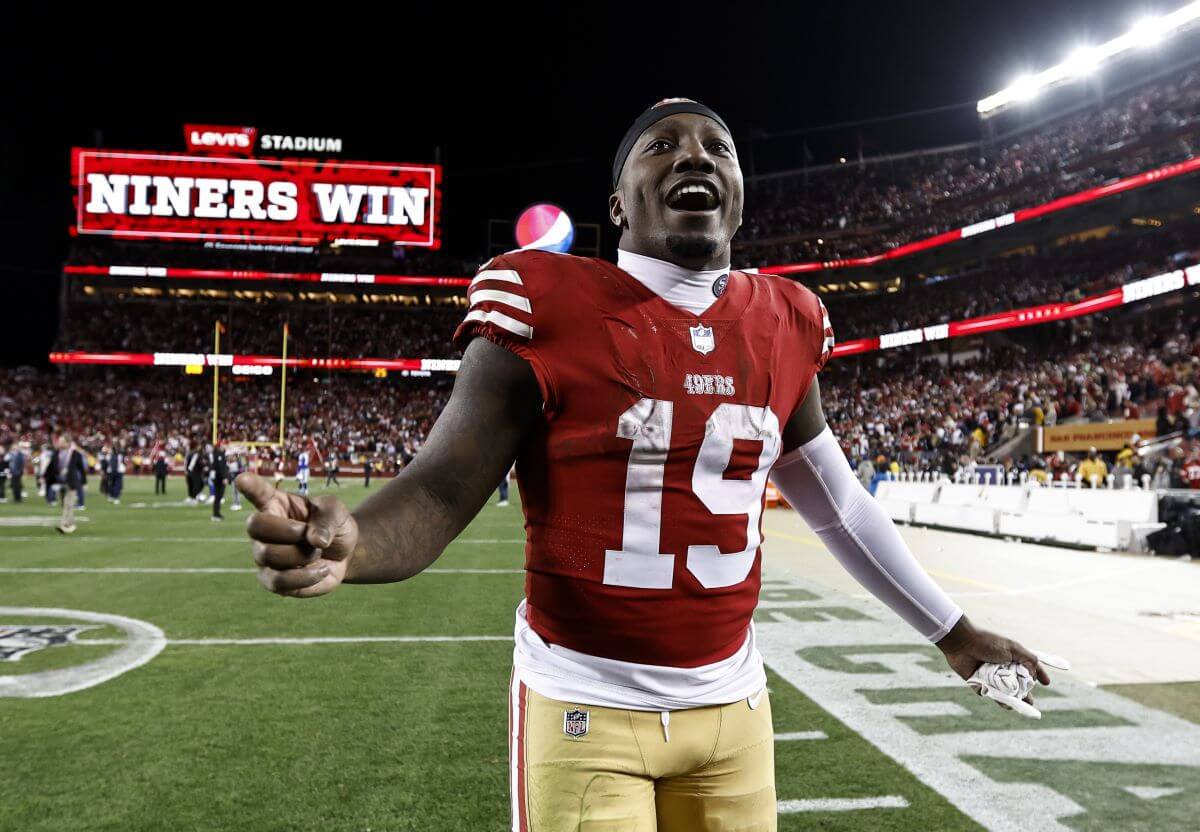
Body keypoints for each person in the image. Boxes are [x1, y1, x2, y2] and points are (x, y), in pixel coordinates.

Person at [237, 99, 1050, 832]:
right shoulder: (541, 300)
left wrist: (954, 631)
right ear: (620, 204)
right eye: (661, 145)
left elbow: (837, 505)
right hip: (582, 703)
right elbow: (445, 488)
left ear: (737, 194)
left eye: (718, 148)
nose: (695, 155)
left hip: (734, 707)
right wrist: (354, 542)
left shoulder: (787, 320)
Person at [45, 434, 86, 535]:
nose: (59, 443)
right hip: (60, 481)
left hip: (71, 482)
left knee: (68, 502)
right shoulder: (56, 453)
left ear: (67, 443)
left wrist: (84, 482)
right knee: (65, 504)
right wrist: (45, 477)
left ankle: (63, 524)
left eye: (61, 441)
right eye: (59, 441)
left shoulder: (76, 454)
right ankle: (71, 524)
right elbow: (51, 467)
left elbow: (81, 469)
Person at [210, 443, 229, 521]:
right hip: (219, 478)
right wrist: (224, 477)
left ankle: (217, 513)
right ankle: (216, 514)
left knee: (218, 497)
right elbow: (221, 467)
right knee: (218, 496)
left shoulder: (218, 454)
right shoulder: (219, 455)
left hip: (217, 477)